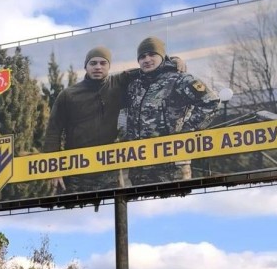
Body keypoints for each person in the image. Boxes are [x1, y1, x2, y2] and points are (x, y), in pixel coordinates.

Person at [120, 36, 220, 186]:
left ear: (162, 56)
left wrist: (187, 131)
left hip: (172, 166)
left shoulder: (178, 79)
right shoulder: (135, 85)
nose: (147, 59)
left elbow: (210, 102)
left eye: (152, 54)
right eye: (142, 57)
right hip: (140, 167)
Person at [43, 46, 138, 195]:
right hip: (76, 168)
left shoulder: (117, 84)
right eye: (93, 63)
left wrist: (174, 61)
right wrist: (53, 169)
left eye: (102, 63)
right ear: (86, 66)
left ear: (109, 66)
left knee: (116, 208)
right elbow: (53, 132)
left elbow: (149, 67)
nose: (98, 67)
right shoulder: (68, 95)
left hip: (109, 167)